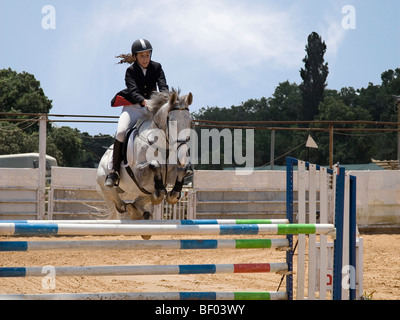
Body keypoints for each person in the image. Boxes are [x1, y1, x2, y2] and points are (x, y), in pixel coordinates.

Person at [105, 39, 169, 187]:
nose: (145, 59)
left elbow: (163, 86)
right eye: (142, 56)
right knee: (121, 132)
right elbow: (133, 91)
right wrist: (144, 101)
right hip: (133, 107)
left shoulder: (157, 67)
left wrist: (165, 100)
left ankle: (174, 165)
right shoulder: (130, 71)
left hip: (152, 108)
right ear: (135, 57)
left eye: (147, 55)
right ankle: (114, 171)